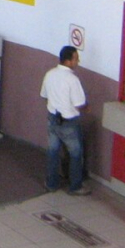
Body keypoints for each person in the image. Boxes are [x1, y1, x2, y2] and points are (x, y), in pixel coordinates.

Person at [40, 46, 91, 195]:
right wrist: (87, 108)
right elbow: (79, 103)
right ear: (68, 61)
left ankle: (51, 183)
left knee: (53, 152)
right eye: (76, 58)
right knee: (75, 154)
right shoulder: (72, 79)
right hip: (68, 121)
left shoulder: (49, 74)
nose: (78, 61)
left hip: (52, 118)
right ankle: (75, 186)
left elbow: (44, 95)